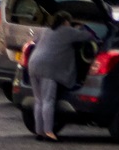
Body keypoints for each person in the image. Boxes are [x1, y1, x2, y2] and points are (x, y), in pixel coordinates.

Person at [28, 13, 96, 141]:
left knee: (38, 100)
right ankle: (48, 132)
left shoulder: (46, 30)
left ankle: (39, 132)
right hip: (49, 68)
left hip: (33, 64)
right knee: (48, 100)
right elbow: (88, 37)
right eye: (69, 22)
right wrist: (81, 28)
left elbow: (35, 40)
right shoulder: (67, 31)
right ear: (65, 21)